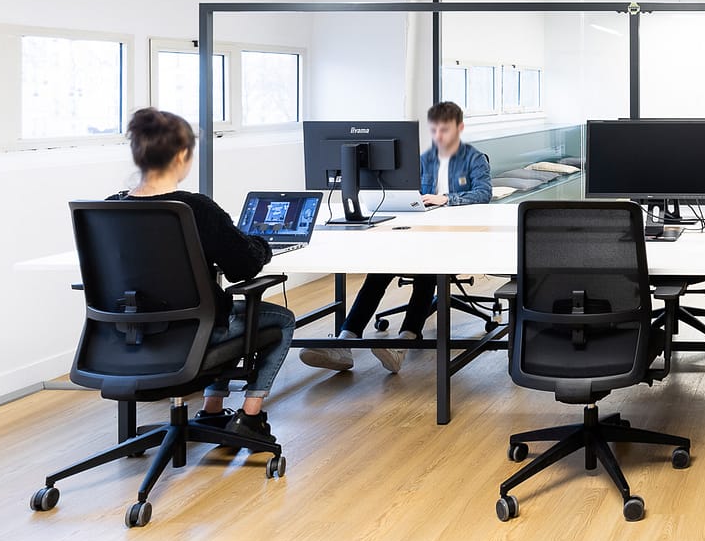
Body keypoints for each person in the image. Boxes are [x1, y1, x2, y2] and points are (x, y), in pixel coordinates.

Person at [110, 108, 295, 447]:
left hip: (126, 340)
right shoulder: (196, 208)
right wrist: (259, 243)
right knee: (278, 319)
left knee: (218, 312)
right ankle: (249, 418)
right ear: (183, 155)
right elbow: (244, 266)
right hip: (193, 338)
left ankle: (212, 411)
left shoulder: (109, 209)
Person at [301, 101, 492, 374]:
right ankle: (345, 341)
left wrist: (446, 199)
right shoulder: (422, 161)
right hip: (422, 233)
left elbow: (484, 194)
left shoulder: (476, 160)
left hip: (456, 238)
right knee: (380, 270)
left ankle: (404, 343)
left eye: (446, 129)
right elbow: (404, 193)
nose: (439, 135)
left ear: (459, 128)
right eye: (435, 129)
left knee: (427, 268)